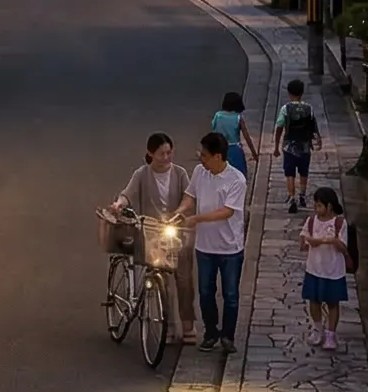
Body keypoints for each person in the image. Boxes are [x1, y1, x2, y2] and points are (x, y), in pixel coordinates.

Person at [107, 131, 199, 344]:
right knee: (161, 280)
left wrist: (179, 213)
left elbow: (189, 197)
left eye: (169, 153)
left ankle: (188, 325)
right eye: (161, 154)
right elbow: (127, 194)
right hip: (152, 233)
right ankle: (166, 326)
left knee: (185, 281)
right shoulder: (142, 174)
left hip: (177, 233)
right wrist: (119, 204)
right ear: (150, 154)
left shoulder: (180, 173)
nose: (166, 158)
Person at [187, 131, 249, 351]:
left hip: (230, 247)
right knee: (205, 292)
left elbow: (227, 212)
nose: (200, 159)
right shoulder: (199, 172)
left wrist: (196, 218)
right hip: (204, 246)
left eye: (204, 155)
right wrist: (179, 212)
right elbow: (190, 196)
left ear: (218, 157)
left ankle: (228, 336)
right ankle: (211, 333)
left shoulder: (236, 180)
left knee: (230, 293)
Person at [300, 187, 350, 351]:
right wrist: (309, 241)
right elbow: (303, 241)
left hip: (333, 270)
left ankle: (331, 334)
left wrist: (333, 241)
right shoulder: (311, 221)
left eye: (320, 205)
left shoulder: (340, 224)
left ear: (329, 206)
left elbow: (343, 247)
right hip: (314, 268)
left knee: (333, 303)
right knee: (314, 301)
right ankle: (317, 329)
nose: (317, 208)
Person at [275, 78, 321, 213]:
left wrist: (277, 146)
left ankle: (292, 196)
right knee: (303, 171)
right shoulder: (309, 108)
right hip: (305, 146)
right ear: (302, 93)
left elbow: (279, 126)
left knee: (289, 172)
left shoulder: (286, 108)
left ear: (289, 93)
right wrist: (318, 139)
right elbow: (314, 125)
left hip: (289, 146)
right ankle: (302, 195)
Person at [210, 91, 257, 176]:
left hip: (219, 148)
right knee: (238, 175)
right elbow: (246, 137)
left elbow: (214, 130)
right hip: (234, 150)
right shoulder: (238, 118)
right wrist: (254, 153)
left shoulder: (218, 115)